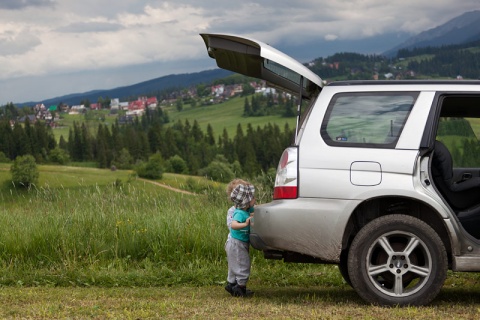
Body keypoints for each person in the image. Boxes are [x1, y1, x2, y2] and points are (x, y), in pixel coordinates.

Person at [224, 182, 255, 297]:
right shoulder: (237, 212)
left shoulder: (247, 209)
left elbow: (256, 209)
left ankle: (231, 284)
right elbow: (233, 225)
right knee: (242, 264)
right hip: (236, 243)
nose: (255, 198)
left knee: (234, 265)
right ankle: (240, 288)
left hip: (239, 242)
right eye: (252, 197)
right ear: (245, 201)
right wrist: (245, 223)